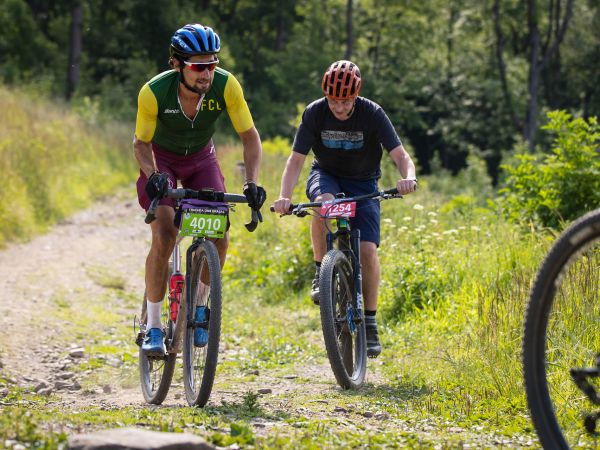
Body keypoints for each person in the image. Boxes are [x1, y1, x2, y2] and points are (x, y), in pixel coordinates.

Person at [134, 23, 266, 356]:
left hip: (200, 158)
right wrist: (153, 175)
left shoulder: (226, 85)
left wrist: (251, 181)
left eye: (212, 63)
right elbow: (141, 143)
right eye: (198, 66)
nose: (207, 73)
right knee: (164, 235)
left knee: (219, 234)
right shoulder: (154, 92)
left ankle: (201, 307)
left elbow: (250, 137)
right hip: (160, 158)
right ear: (177, 64)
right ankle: (151, 327)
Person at [272, 60, 417, 358]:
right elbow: (296, 160)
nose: (338, 107)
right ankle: (319, 270)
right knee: (324, 205)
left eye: (345, 101)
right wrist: (284, 196)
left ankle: (370, 321)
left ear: (356, 96)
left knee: (367, 252)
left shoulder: (373, 114)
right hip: (326, 174)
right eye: (334, 100)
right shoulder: (315, 112)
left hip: (364, 183)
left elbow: (400, 155)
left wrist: (408, 177)